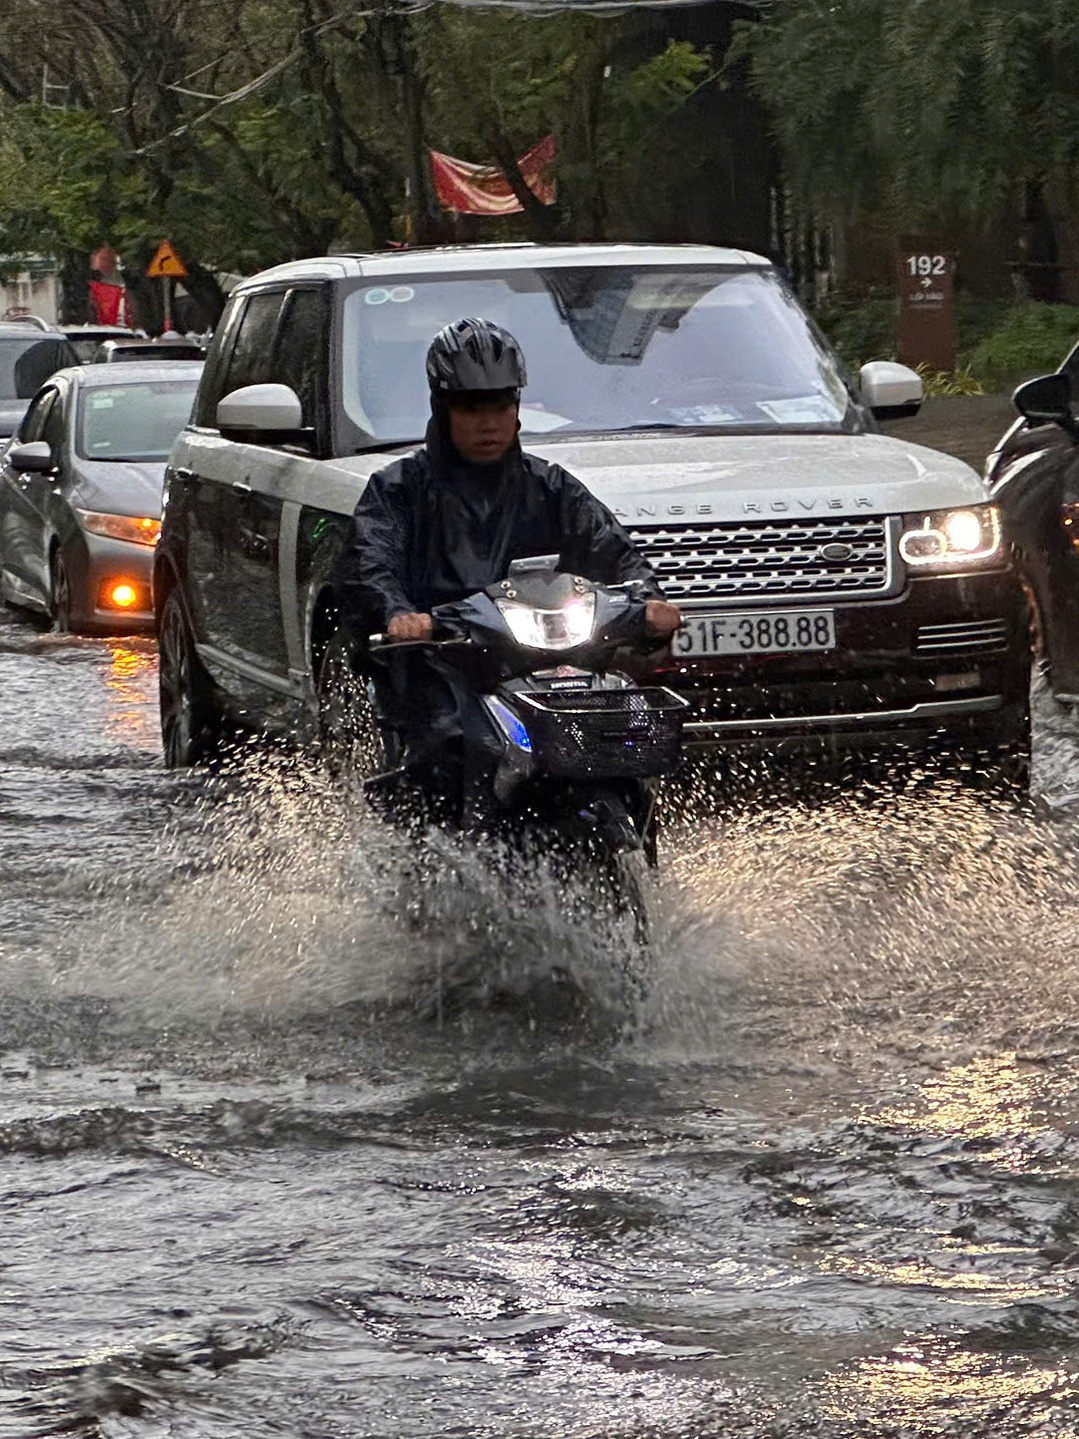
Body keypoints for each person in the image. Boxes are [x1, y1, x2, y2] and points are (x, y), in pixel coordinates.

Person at [332, 317, 682, 801]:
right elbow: (370, 563)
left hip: (551, 665)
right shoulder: (398, 489)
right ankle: (438, 856)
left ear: (517, 408)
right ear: (442, 408)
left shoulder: (552, 487)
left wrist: (648, 601)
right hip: (444, 668)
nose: (488, 420)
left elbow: (614, 551)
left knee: (622, 731)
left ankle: (633, 843)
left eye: (500, 403)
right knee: (444, 751)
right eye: (471, 406)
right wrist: (398, 613)